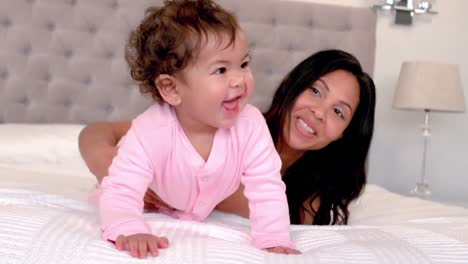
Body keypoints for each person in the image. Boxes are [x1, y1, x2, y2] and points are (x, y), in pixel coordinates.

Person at [81, 49, 376, 248]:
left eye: (339, 112)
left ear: (344, 134)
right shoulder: (228, 121)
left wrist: (175, 187)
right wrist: (111, 168)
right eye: (315, 91)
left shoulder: (308, 201)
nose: (320, 112)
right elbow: (96, 132)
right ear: (292, 86)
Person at [90, 0, 299, 259]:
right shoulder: (150, 131)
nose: (239, 79)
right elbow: (121, 189)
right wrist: (129, 228)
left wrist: (274, 237)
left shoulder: (251, 125)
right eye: (221, 69)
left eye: (244, 64)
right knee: (114, 190)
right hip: (145, 199)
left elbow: (266, 185)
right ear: (172, 88)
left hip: (186, 205)